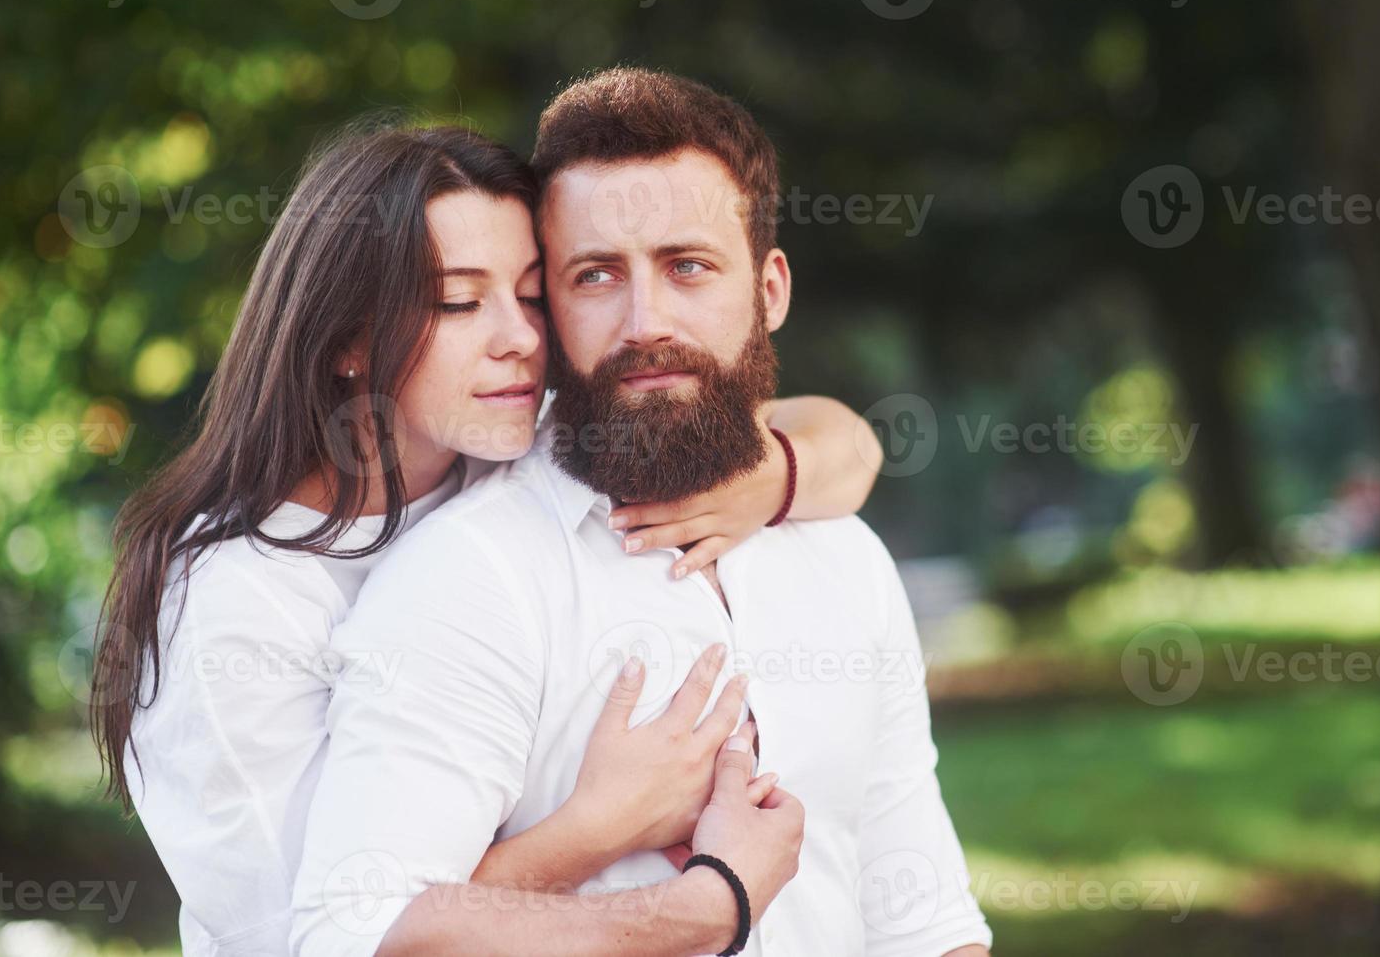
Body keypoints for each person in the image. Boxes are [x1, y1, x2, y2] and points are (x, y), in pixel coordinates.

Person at [91, 122, 884, 956]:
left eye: (534, 294)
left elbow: (848, 443)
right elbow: (330, 941)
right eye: (460, 302)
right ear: (348, 339)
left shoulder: (508, 446)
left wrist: (763, 482)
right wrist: (607, 831)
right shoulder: (229, 606)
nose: (522, 338)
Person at [291, 68, 992, 956]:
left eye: (687, 265)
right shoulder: (469, 578)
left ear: (770, 290)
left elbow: (921, 918)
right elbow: (349, 934)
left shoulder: (843, 553)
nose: (643, 320)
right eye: (593, 277)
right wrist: (706, 905)